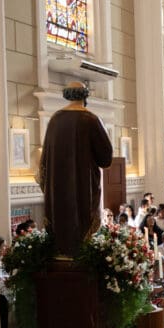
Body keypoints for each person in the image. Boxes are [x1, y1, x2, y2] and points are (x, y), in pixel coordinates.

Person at [36, 81, 113, 257]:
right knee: (82, 227)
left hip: (57, 192)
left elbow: (44, 161)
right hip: (83, 189)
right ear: (85, 96)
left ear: (67, 96)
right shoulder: (91, 120)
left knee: (61, 226)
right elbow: (106, 159)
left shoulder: (55, 120)